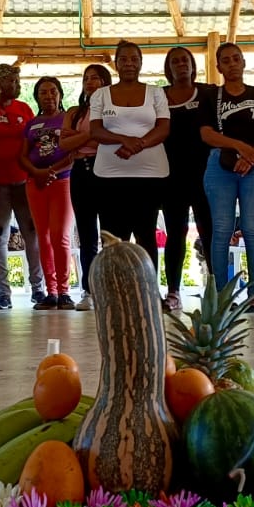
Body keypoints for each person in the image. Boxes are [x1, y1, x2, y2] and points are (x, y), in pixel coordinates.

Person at [199, 42, 254, 310]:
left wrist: (252, 155)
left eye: (236, 59)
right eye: (226, 60)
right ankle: (222, 295)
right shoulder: (212, 97)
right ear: (219, 66)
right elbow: (206, 133)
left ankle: (253, 294)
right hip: (221, 166)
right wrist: (239, 147)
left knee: (252, 229)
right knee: (221, 230)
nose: (232, 64)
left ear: (244, 62)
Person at [88, 41, 171, 276]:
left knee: (146, 235)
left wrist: (138, 145)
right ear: (116, 63)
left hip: (151, 176)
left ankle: (149, 293)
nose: (129, 64)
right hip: (109, 177)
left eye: (134, 59)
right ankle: (115, 293)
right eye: (123, 59)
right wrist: (125, 140)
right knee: (113, 239)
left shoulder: (156, 93)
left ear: (141, 63)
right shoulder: (101, 95)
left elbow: (163, 128)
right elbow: (95, 131)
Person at [0, 63, 47, 309]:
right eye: (14, 81)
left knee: (32, 235)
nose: (18, 85)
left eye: (18, 81)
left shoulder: (24, 109)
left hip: (24, 183)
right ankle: (3, 293)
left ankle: (38, 289)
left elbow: (35, 141)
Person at [161, 47, 215, 311]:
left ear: (193, 65)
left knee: (210, 232)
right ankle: (173, 291)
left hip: (206, 175)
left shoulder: (209, 92)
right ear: (168, 68)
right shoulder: (159, 96)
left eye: (185, 60)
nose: (181, 64)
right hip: (171, 176)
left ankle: (215, 290)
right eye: (175, 61)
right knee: (175, 234)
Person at [22, 76, 76, 309]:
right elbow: (22, 154)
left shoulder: (68, 119)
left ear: (60, 94)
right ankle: (51, 292)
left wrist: (51, 171)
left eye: (53, 91)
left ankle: (65, 291)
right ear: (37, 97)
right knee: (42, 238)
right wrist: (37, 172)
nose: (48, 96)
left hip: (62, 181)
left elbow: (74, 152)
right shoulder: (31, 124)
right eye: (43, 92)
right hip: (36, 183)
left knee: (59, 236)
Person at [61, 64, 110, 310]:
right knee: (87, 235)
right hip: (81, 171)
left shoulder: (114, 110)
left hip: (107, 170)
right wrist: (93, 135)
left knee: (110, 233)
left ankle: (112, 289)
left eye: (96, 78)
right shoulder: (74, 111)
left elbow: (111, 140)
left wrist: (78, 139)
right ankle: (89, 291)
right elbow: (63, 143)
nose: (90, 82)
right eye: (86, 78)